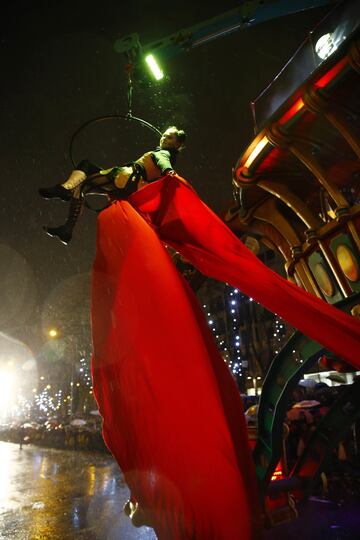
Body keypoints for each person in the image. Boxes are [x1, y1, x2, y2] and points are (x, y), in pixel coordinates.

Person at [38, 126, 186, 244]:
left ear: (177, 144)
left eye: (170, 137)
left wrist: (170, 172)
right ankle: (67, 228)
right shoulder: (164, 155)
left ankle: (64, 190)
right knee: (82, 185)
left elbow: (163, 163)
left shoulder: (164, 154)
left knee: (86, 166)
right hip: (128, 184)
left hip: (126, 178)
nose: (165, 137)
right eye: (165, 134)